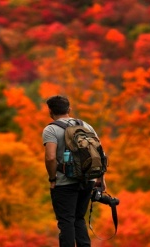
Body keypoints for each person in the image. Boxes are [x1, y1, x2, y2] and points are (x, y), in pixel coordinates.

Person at [42, 95, 106, 247]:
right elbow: (100, 154)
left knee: (66, 220)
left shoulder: (51, 129)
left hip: (64, 182)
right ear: (69, 109)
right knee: (79, 218)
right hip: (87, 180)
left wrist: (52, 179)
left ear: (50, 112)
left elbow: (50, 157)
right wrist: (100, 179)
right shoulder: (86, 126)